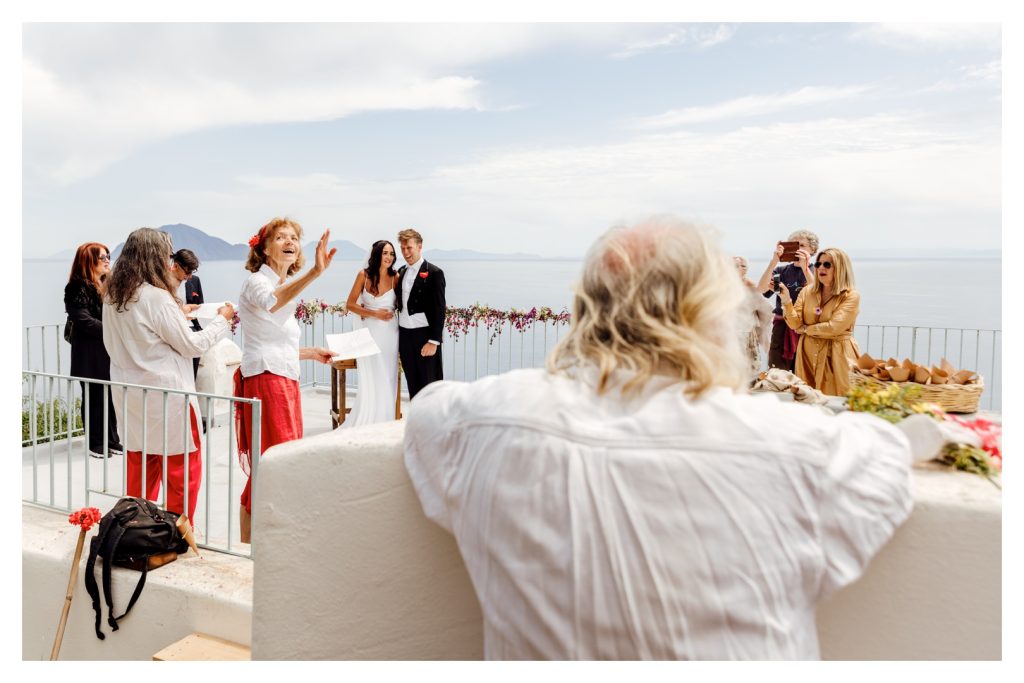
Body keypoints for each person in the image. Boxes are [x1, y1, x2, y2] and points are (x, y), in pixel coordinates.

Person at [404, 216, 912, 660]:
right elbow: (889, 457)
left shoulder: (491, 418)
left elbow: (426, 411)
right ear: (711, 316)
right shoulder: (793, 446)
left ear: (587, 311)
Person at [103, 228, 233, 523]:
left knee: (140, 467)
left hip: (130, 394)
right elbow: (192, 345)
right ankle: (179, 531)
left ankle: (136, 525)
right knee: (183, 470)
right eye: (166, 254)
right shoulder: (157, 297)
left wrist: (178, 314)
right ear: (156, 257)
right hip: (168, 396)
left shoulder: (113, 296)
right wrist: (222, 321)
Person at [235, 217, 336, 543]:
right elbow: (272, 302)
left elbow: (276, 344)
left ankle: (260, 544)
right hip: (266, 380)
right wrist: (315, 272)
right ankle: (260, 545)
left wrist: (311, 353)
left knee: (278, 460)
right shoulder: (257, 282)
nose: (290, 241)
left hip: (283, 378)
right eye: (281, 237)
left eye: (294, 237)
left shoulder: (280, 285)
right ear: (264, 249)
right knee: (275, 461)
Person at [64, 242, 123, 458]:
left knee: (110, 396)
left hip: (107, 350)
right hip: (88, 353)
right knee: (94, 398)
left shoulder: (107, 284)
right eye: (103, 257)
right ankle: (95, 443)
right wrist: (113, 330)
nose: (108, 260)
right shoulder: (76, 287)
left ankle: (112, 440)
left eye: (108, 256)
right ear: (88, 261)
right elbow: (82, 320)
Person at [781, 247, 862, 396]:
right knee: (806, 398)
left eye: (827, 264)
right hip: (807, 353)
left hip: (837, 355)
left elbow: (834, 328)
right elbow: (795, 324)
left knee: (838, 399)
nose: (821, 268)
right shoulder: (807, 291)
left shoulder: (851, 296)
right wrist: (786, 301)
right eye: (818, 264)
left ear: (840, 268)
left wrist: (806, 329)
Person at [338, 240, 400, 429]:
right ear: (377, 255)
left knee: (387, 375)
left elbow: (402, 304)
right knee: (371, 377)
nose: (389, 257)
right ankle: (368, 418)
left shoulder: (396, 277)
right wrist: (374, 313)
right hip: (369, 333)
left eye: (391, 253)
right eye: (385, 253)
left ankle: (385, 420)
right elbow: (350, 304)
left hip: (389, 334)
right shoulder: (363, 275)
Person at [755, 229, 818, 371]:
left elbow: (817, 293)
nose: (797, 249)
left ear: (812, 249)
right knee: (776, 373)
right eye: (794, 245)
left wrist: (805, 267)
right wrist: (774, 261)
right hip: (781, 328)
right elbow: (762, 289)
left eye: (802, 245)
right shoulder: (781, 271)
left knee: (804, 373)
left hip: (806, 329)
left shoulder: (818, 271)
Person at [394, 228, 446, 399]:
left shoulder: (434, 273)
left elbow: (439, 308)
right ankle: (417, 415)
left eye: (409, 247)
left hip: (425, 337)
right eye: (402, 248)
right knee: (412, 383)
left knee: (430, 386)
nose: (405, 252)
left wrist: (434, 341)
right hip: (405, 336)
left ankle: (434, 417)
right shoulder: (401, 271)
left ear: (419, 246)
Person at [734, 255, 772, 376]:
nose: (740, 268)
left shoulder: (750, 285)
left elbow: (766, 309)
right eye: (736, 266)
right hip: (729, 332)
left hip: (746, 332)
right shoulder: (720, 285)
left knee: (749, 371)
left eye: (743, 266)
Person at [170, 249, 204, 379]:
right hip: (174, 328)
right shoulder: (163, 282)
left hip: (192, 327)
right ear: (176, 266)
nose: (189, 276)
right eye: (187, 272)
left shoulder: (195, 280)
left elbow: (200, 304)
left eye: (192, 272)